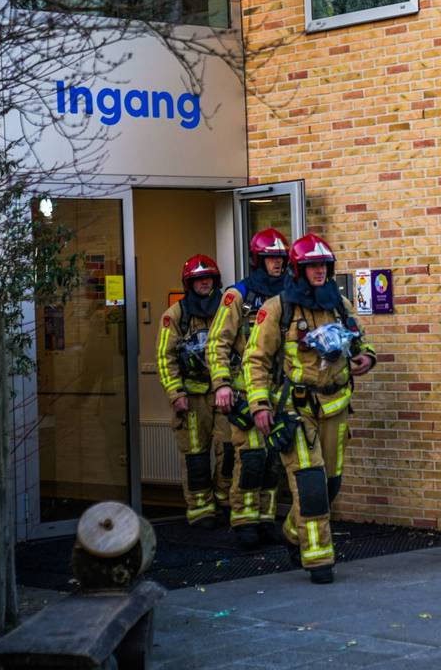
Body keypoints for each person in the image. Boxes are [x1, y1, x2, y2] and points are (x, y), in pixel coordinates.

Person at [243, 233, 376, 584]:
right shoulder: (277, 309)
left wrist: (366, 357)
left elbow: (363, 341)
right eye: (312, 266)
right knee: (311, 483)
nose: (319, 271)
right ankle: (319, 559)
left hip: (336, 406)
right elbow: (255, 360)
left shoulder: (340, 305)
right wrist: (259, 404)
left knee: (330, 484)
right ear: (298, 270)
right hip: (295, 409)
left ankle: (292, 532)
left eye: (323, 265)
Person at [208, 228, 290, 549]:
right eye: (271, 258)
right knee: (251, 457)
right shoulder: (238, 295)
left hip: (279, 392)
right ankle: (243, 519)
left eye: (281, 258)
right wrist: (222, 385)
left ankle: (266, 518)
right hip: (245, 392)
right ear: (259, 259)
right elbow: (217, 342)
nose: (277, 264)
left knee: (273, 459)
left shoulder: (290, 294)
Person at [157, 254, 232, 529]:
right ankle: (201, 509)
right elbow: (165, 358)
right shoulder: (175, 316)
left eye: (208, 278)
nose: (204, 283)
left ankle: (225, 501)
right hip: (191, 399)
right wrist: (176, 394)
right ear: (189, 283)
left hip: (225, 394)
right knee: (196, 457)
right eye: (198, 279)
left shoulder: (228, 310)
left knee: (230, 451)